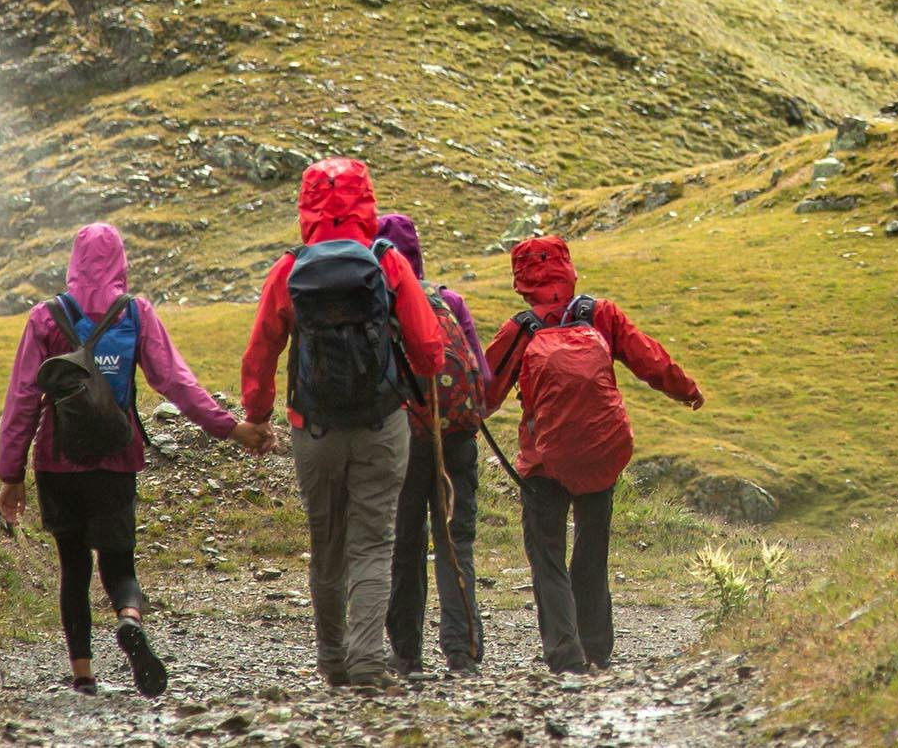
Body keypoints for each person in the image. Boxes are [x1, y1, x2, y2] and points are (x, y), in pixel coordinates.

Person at [0, 222, 266, 697]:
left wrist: (11, 474)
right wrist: (230, 427)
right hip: (117, 459)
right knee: (120, 565)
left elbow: (22, 399)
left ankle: (83, 675)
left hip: (57, 463)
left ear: (73, 261)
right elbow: (175, 383)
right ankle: (128, 619)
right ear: (120, 261)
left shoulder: (45, 317)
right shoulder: (135, 313)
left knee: (73, 568)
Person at [241, 158, 445, 692]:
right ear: (366, 200)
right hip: (382, 424)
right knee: (374, 542)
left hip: (314, 429)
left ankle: (332, 661)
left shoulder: (289, 269)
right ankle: (367, 663)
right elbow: (428, 351)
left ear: (306, 205)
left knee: (326, 541)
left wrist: (257, 417)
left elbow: (262, 349)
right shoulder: (388, 262)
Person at [483, 235, 704, 674]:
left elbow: (484, 395)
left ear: (520, 279)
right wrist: (687, 390)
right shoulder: (599, 314)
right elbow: (650, 359)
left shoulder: (520, 330)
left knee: (546, 554)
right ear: (569, 268)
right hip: (599, 454)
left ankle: (565, 654)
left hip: (543, 461)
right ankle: (597, 646)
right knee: (591, 545)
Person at [376, 212, 493, 676]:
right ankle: (462, 651)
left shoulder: (380, 305)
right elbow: (482, 376)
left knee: (404, 544)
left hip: (402, 438)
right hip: (457, 436)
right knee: (454, 541)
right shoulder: (450, 300)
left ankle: (406, 652)